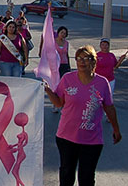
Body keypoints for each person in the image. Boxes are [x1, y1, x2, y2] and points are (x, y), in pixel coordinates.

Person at [44, 45, 122, 186]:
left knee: (86, 178)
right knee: (66, 175)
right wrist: (48, 90)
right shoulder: (67, 79)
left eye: (86, 58)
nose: (82, 62)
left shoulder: (102, 83)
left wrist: (116, 129)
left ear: (93, 61)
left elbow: (109, 108)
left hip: (92, 140)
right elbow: (59, 102)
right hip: (66, 137)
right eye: (79, 58)